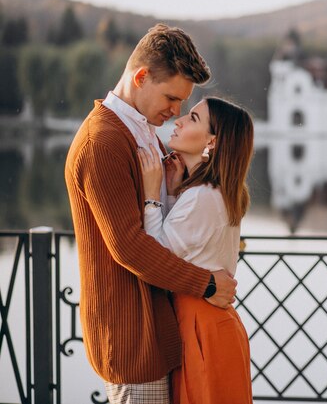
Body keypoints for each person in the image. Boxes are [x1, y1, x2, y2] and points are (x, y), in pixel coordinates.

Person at [64, 24, 237, 404]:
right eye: (172, 98)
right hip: (131, 338)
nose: (176, 112)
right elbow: (128, 246)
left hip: (159, 332)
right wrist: (206, 283)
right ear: (141, 77)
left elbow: (162, 226)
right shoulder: (103, 142)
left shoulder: (141, 132)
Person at [138, 96, 254, 404]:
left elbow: (157, 257)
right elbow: (189, 246)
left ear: (212, 142)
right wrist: (176, 194)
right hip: (210, 324)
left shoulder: (203, 197)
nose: (178, 121)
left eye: (192, 118)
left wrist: (152, 197)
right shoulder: (211, 192)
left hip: (201, 328)